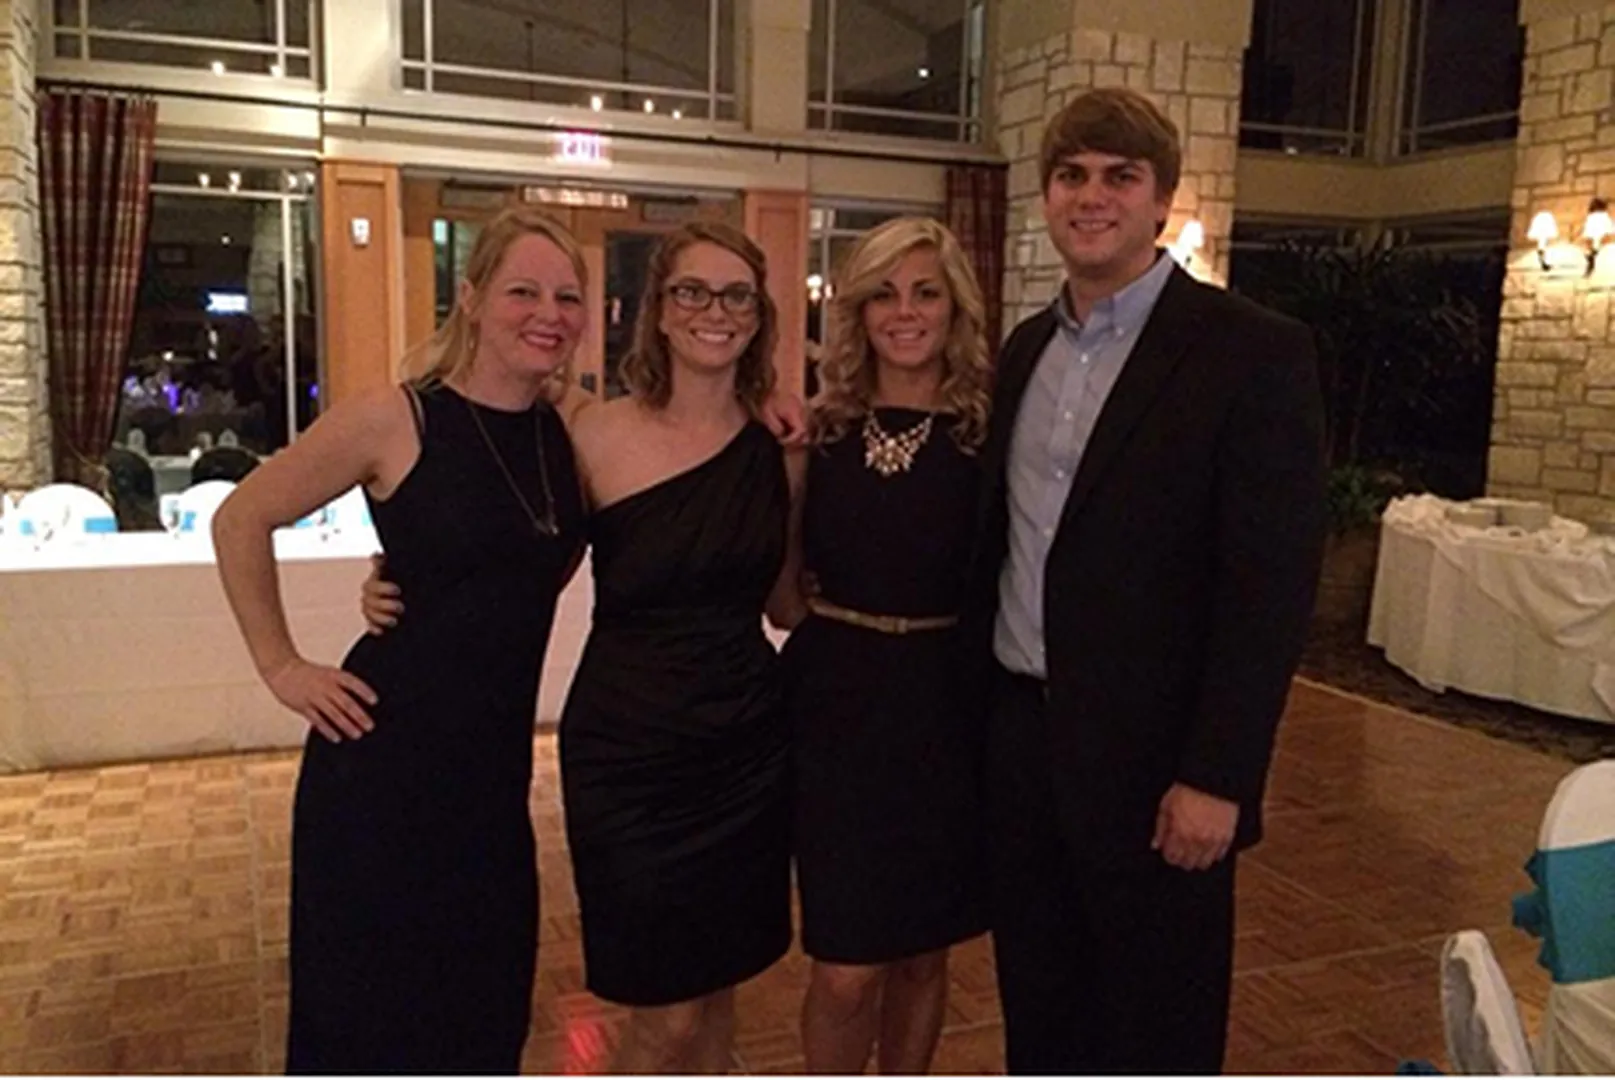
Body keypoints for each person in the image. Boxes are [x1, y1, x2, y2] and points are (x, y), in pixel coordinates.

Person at [363, 221, 798, 1073]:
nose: (714, 311)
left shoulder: (780, 446)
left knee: (717, 996)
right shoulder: (591, 435)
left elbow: (788, 602)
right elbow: (517, 569)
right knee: (663, 1013)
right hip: (631, 754)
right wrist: (400, 580)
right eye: (691, 292)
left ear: (758, 315)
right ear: (659, 313)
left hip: (747, 745)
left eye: (735, 294)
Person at [974, 87, 1327, 1075]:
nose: (1093, 197)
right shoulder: (1024, 351)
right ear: (1047, 198)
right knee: (1039, 1008)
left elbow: (1267, 586)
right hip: (1022, 741)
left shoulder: (1249, 350)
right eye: (1072, 175)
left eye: (1119, 177)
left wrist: (1217, 773)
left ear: (1160, 199)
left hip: (1159, 762)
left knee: (1157, 1025)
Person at [211, 207, 590, 1073]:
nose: (548, 312)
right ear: (471, 298)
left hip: (491, 780)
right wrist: (281, 665)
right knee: (368, 1016)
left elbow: (536, 564)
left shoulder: (567, 427)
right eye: (522, 290)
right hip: (381, 764)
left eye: (566, 296)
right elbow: (241, 518)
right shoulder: (397, 418)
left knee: (485, 1013)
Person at [767, 216, 992, 1073]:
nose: (905, 312)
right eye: (883, 294)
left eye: (925, 292)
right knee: (845, 970)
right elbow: (784, 601)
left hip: (948, 713)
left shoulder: (989, 435)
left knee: (923, 954)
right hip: (836, 714)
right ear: (856, 312)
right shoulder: (817, 432)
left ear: (953, 308)